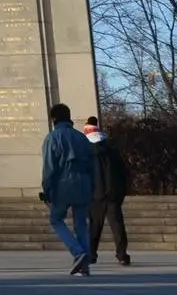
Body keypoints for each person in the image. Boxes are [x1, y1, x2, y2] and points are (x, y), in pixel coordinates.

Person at [39, 103, 96, 276]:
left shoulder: (53, 137)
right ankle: (84, 265)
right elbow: (93, 165)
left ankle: (78, 252)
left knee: (56, 220)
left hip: (63, 183)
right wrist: (92, 185)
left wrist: (47, 188)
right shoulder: (81, 137)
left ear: (54, 119)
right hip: (84, 182)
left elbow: (50, 167)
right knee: (81, 223)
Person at [85, 117, 132, 266]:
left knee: (94, 227)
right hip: (112, 193)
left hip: (95, 195)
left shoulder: (86, 153)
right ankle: (122, 255)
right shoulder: (112, 150)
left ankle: (91, 254)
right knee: (117, 226)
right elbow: (123, 173)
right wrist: (121, 192)